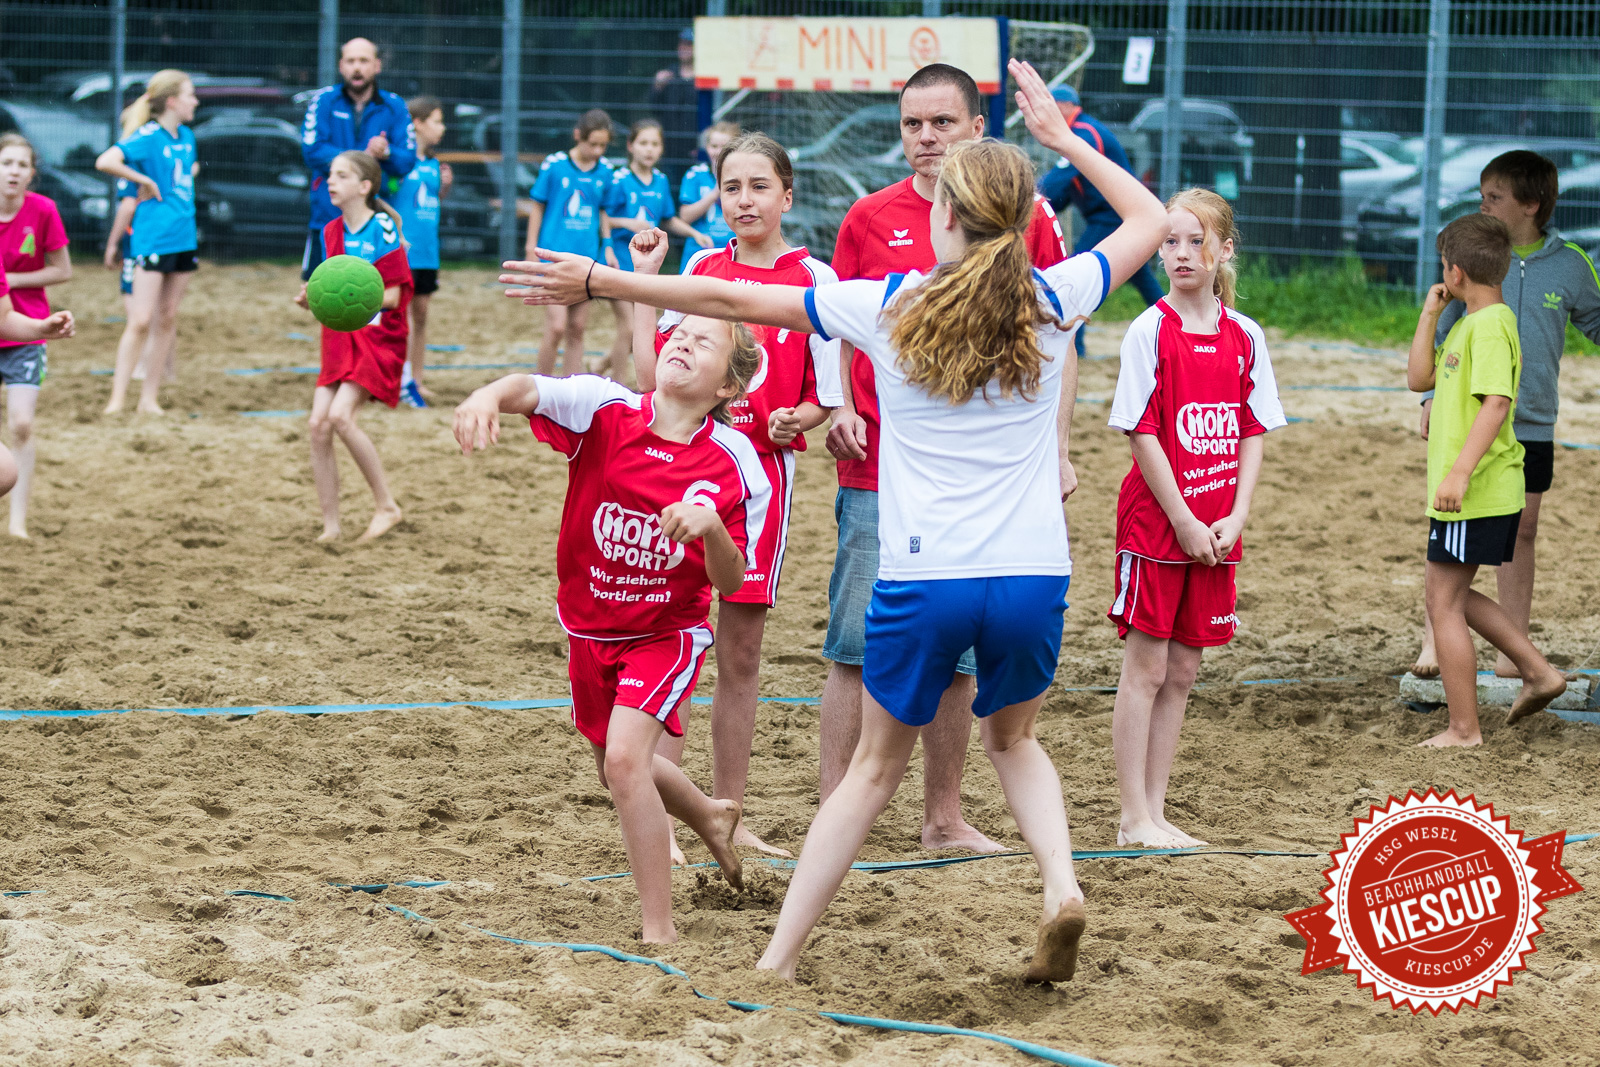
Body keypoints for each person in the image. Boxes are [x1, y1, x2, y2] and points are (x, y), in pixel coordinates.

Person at [502, 58, 1171, 983]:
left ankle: (778, 960)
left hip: (926, 575)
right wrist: (1063, 140)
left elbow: (730, 298)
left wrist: (605, 279)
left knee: (870, 772)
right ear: (1020, 222)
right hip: (1032, 573)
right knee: (1015, 740)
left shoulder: (892, 306)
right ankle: (1060, 884)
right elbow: (1151, 218)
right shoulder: (1055, 299)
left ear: (944, 216)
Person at [449, 320, 771, 945]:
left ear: (728, 387)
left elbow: (732, 582)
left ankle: (659, 930)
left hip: (666, 633)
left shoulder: (737, 463)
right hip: (589, 624)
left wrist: (711, 528)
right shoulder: (606, 408)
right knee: (616, 766)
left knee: (625, 762)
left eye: (705, 343)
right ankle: (709, 814)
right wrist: (487, 396)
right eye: (680, 334)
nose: (683, 342)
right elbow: (529, 388)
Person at [822, 61, 1068, 855]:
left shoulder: (1025, 217)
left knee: (960, 657)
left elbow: (1059, 342)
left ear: (976, 129)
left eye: (941, 123)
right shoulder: (869, 215)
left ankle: (944, 816)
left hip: (989, 483)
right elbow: (832, 320)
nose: (925, 138)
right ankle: (836, 812)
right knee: (853, 648)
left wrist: (1059, 450)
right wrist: (840, 403)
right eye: (912, 124)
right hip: (881, 466)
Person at [631, 131, 841, 858]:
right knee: (672, 644)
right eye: (731, 187)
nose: (743, 200)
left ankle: (728, 811)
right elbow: (651, 375)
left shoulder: (815, 279)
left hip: (760, 487)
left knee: (740, 654)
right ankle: (665, 813)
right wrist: (643, 281)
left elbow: (826, 397)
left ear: (787, 195)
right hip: (686, 474)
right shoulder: (700, 267)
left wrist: (798, 419)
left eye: (759, 186)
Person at [1107, 189, 1284, 848]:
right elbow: (1142, 431)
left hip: (1216, 527)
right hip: (1160, 525)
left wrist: (1237, 516)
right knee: (1146, 670)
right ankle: (1132, 816)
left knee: (1182, 671)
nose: (1181, 253)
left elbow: (1252, 430)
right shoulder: (1149, 329)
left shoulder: (1246, 336)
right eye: (1170, 241)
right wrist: (1181, 517)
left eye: (1195, 240)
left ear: (1224, 249)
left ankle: (1156, 813)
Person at [1412, 150, 1600, 680]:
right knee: (1450, 530)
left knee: (1521, 532)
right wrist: (1429, 399)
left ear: (1531, 204)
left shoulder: (1570, 264)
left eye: (1494, 197)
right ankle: (1435, 641)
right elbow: (1441, 343)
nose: (1483, 205)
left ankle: (1512, 655)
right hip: (1469, 422)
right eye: (1482, 196)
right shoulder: (1473, 257)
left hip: (1531, 420)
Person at [1406, 214, 1569, 746]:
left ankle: (1464, 729)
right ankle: (1538, 672)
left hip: (1475, 491)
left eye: (1442, 267)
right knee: (1448, 596)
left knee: (1444, 602)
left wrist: (1458, 474)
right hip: (1469, 493)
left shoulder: (1493, 326)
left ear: (1455, 272)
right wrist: (1431, 314)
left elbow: (1497, 403)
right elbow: (1419, 379)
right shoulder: (1469, 323)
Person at [293, 151, 410, 543]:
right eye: (330, 174)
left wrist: (349, 297)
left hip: (377, 338)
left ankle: (387, 506)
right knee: (317, 425)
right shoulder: (330, 231)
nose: (331, 181)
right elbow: (332, 293)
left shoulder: (382, 227)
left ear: (364, 186)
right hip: (339, 338)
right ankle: (331, 527)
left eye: (341, 175)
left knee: (341, 417)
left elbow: (392, 295)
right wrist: (313, 298)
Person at [95, 70, 199, 416]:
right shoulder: (149, 136)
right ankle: (117, 400)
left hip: (184, 236)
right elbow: (106, 161)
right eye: (190, 95)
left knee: (167, 318)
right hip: (153, 237)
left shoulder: (187, 136)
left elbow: (184, 172)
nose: (195, 101)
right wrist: (143, 179)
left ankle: (149, 399)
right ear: (172, 101)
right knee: (140, 319)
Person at [1039, 85, 1166, 357]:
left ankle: (1076, 347)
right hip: (1112, 215)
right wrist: (1044, 206)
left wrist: (1028, 199)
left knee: (1078, 274)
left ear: (1067, 106)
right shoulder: (1076, 132)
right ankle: (1177, 326)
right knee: (1142, 277)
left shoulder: (1082, 133)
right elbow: (1065, 189)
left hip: (1114, 217)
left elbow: (1057, 180)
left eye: (1052, 104)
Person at [597, 119, 711, 379]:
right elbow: (602, 217)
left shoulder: (660, 181)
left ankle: (600, 366)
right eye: (643, 143)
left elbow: (668, 219)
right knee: (629, 329)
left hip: (646, 269)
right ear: (631, 146)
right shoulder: (619, 179)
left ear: (661, 149)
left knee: (638, 330)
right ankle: (618, 385)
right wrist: (623, 226)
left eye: (655, 144)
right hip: (619, 263)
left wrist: (694, 233)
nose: (649, 149)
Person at [0, 134, 71, 539]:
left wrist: (10, 280)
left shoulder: (43, 210)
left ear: (32, 174)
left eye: (21, 165)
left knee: (22, 424)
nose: (13, 171)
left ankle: (17, 522)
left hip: (25, 329)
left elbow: (63, 270)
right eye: (6, 163)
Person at [300, 38, 416, 282]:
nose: (357, 67)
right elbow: (312, 150)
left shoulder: (394, 106)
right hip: (328, 216)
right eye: (351, 61)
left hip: (376, 221)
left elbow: (407, 160)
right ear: (341, 65)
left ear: (377, 65)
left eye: (363, 61)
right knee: (320, 290)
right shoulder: (324, 101)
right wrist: (361, 158)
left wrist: (387, 152)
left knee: (380, 291)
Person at [524, 110, 614, 377]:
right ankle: (542, 386)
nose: (597, 151)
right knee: (556, 327)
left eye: (603, 145)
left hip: (586, 259)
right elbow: (537, 206)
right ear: (578, 136)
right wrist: (531, 247)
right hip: (553, 258)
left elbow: (603, 211)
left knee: (577, 328)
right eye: (593, 144)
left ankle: (570, 389)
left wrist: (608, 245)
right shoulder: (555, 165)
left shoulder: (605, 170)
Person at [396, 95, 450, 405]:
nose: (442, 128)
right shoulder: (399, 162)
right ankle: (398, 379)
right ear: (417, 123)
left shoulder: (434, 164)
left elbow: (429, 203)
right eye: (437, 121)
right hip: (403, 252)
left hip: (428, 252)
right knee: (398, 318)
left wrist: (444, 188)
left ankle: (416, 380)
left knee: (422, 315)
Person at [677, 121, 739, 270]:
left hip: (733, 251)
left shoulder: (743, 177)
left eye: (724, 147)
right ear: (706, 147)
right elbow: (685, 216)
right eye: (714, 146)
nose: (718, 152)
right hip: (700, 250)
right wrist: (715, 193)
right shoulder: (695, 175)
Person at [646, 27, 699, 190]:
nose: (684, 48)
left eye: (689, 44)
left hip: (694, 150)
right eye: (682, 43)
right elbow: (654, 109)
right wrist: (657, 87)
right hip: (669, 149)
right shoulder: (668, 75)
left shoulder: (702, 78)